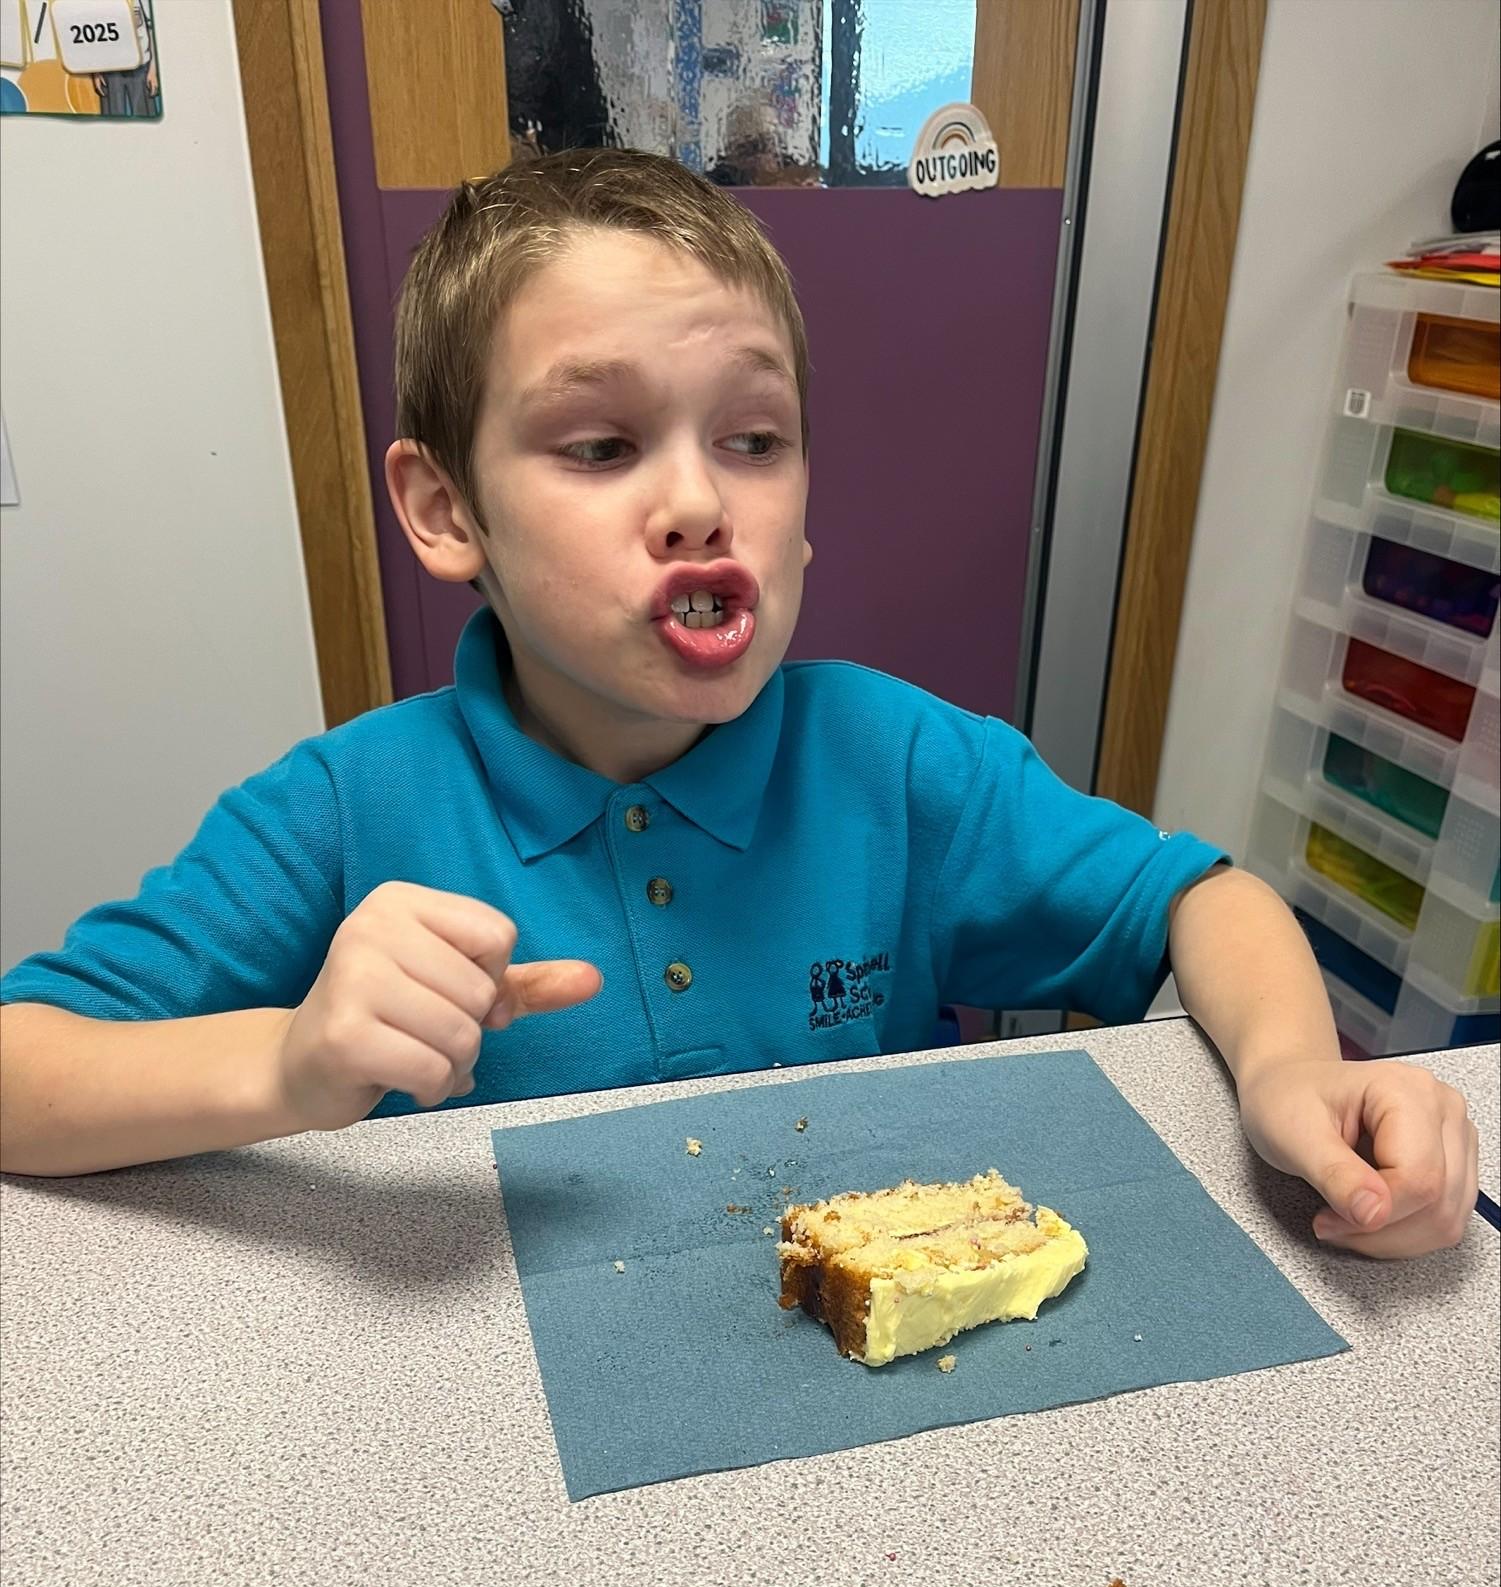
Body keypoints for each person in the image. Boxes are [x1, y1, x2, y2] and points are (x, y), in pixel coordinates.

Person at [0, 150, 1478, 1258]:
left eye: (754, 439)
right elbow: (21, 1068)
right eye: (600, 447)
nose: (701, 501)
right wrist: (288, 1063)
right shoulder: (343, 813)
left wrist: (1294, 1067)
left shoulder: (896, 763)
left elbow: (1197, 901)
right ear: (446, 510)